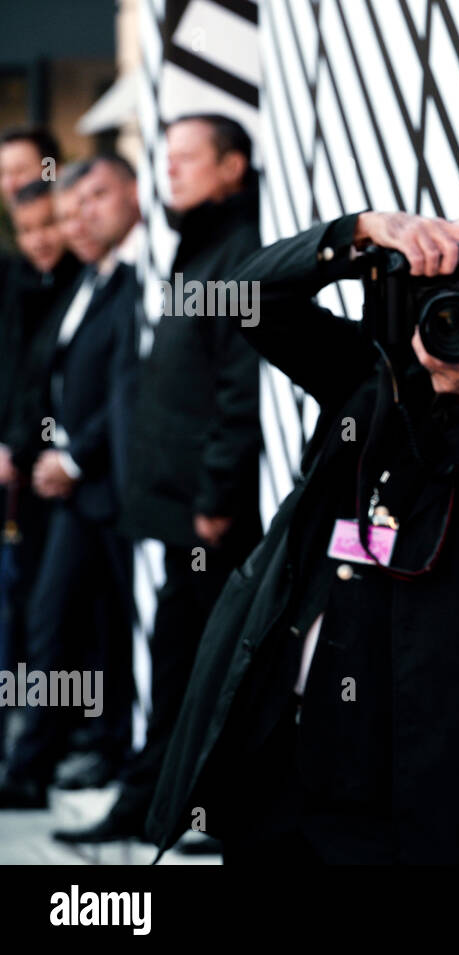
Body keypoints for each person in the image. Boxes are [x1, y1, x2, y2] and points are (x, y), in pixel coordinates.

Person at [145, 208, 459, 863]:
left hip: (419, 777)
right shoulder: (375, 370)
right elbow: (247, 299)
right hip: (286, 755)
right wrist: (354, 234)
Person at [54, 114, 264, 845]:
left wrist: (214, 498)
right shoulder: (199, 248)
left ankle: (191, 807)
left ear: (232, 166)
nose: (168, 172)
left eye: (185, 159)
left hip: (206, 517)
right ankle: (162, 803)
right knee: (177, 663)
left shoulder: (237, 251)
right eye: (164, 159)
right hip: (176, 511)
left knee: (200, 667)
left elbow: (239, 390)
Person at [0, 155, 143, 807]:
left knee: (79, 621)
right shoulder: (89, 282)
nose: (75, 222)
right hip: (69, 483)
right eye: (69, 210)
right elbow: (47, 378)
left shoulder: (134, 281)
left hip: (102, 483)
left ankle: (60, 757)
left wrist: (74, 456)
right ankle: (47, 757)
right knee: (59, 618)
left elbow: (125, 387)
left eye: (91, 203)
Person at [0, 178, 82, 762]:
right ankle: (26, 738)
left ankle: (42, 745)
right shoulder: (19, 286)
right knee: (27, 606)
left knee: (54, 613)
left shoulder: (87, 284)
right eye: (27, 231)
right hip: (22, 472)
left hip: (65, 475)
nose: (40, 240)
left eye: (48, 225)